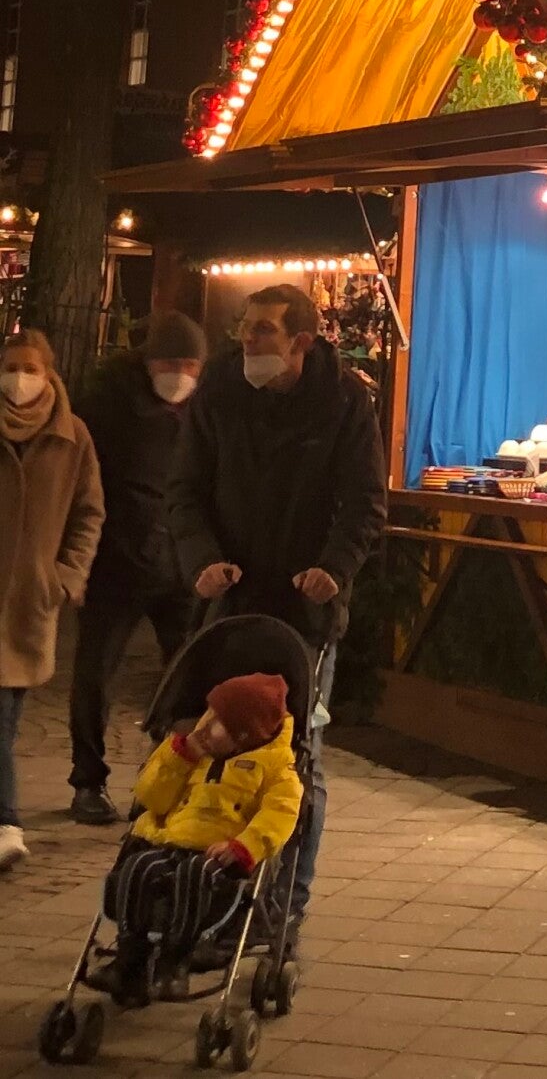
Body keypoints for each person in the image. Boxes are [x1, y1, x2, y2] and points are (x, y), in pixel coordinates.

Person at [168, 287, 383, 935]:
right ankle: (206, 897)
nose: (249, 340)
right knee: (213, 745)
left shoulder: (344, 403)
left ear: (301, 343)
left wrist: (333, 570)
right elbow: (185, 492)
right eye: (247, 328)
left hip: (304, 611)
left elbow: (364, 501)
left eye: (264, 330)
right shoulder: (218, 395)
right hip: (230, 603)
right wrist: (202, 560)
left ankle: (282, 908)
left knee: (295, 760)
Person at [67, 311, 208, 825]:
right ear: (149, 363)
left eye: (190, 365)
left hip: (181, 567)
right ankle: (88, 779)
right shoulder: (108, 407)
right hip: (117, 563)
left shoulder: (203, 411)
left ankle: (167, 776)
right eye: (170, 364)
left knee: (186, 675)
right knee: (95, 675)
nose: (180, 375)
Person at [104, 671, 302, 996]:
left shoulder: (276, 768)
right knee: (136, 866)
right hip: (170, 841)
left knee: (195, 873)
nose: (204, 725)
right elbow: (152, 799)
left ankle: (175, 960)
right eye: (207, 713)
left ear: (243, 735)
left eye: (217, 720)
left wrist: (243, 846)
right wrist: (180, 758)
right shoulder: (191, 752)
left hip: (219, 856)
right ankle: (130, 958)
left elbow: (278, 815)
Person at [0, 327, 104, 873]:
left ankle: (5, 822)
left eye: (30, 369)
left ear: (50, 374)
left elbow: (89, 511)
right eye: (10, 367)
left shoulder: (72, 436)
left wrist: (65, 576)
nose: (19, 379)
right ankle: (5, 822)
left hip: (28, 600)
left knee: (4, 716)